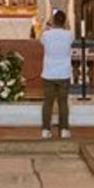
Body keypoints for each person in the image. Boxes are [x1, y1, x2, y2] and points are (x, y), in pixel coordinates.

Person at [40, 9, 73, 138]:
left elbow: (40, 37)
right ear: (64, 21)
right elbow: (69, 32)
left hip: (49, 72)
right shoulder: (69, 35)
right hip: (64, 73)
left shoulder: (46, 35)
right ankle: (64, 129)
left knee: (48, 102)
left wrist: (48, 25)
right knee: (63, 102)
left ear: (53, 21)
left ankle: (45, 130)